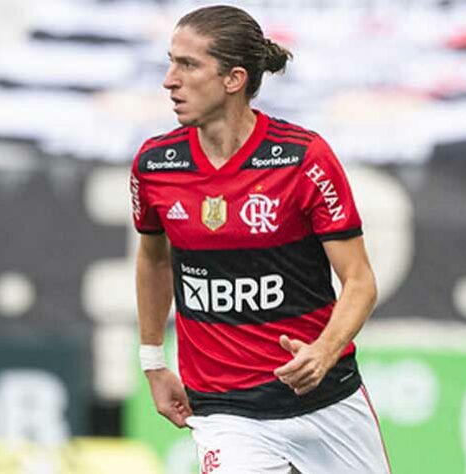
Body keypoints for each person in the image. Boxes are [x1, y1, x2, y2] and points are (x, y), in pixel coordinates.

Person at [129, 5, 390, 473]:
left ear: (234, 79)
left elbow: (360, 281)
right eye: (170, 62)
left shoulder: (303, 159)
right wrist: (153, 360)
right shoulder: (155, 166)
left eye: (187, 65)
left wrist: (324, 351)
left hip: (326, 403)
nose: (169, 79)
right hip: (226, 414)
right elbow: (154, 260)